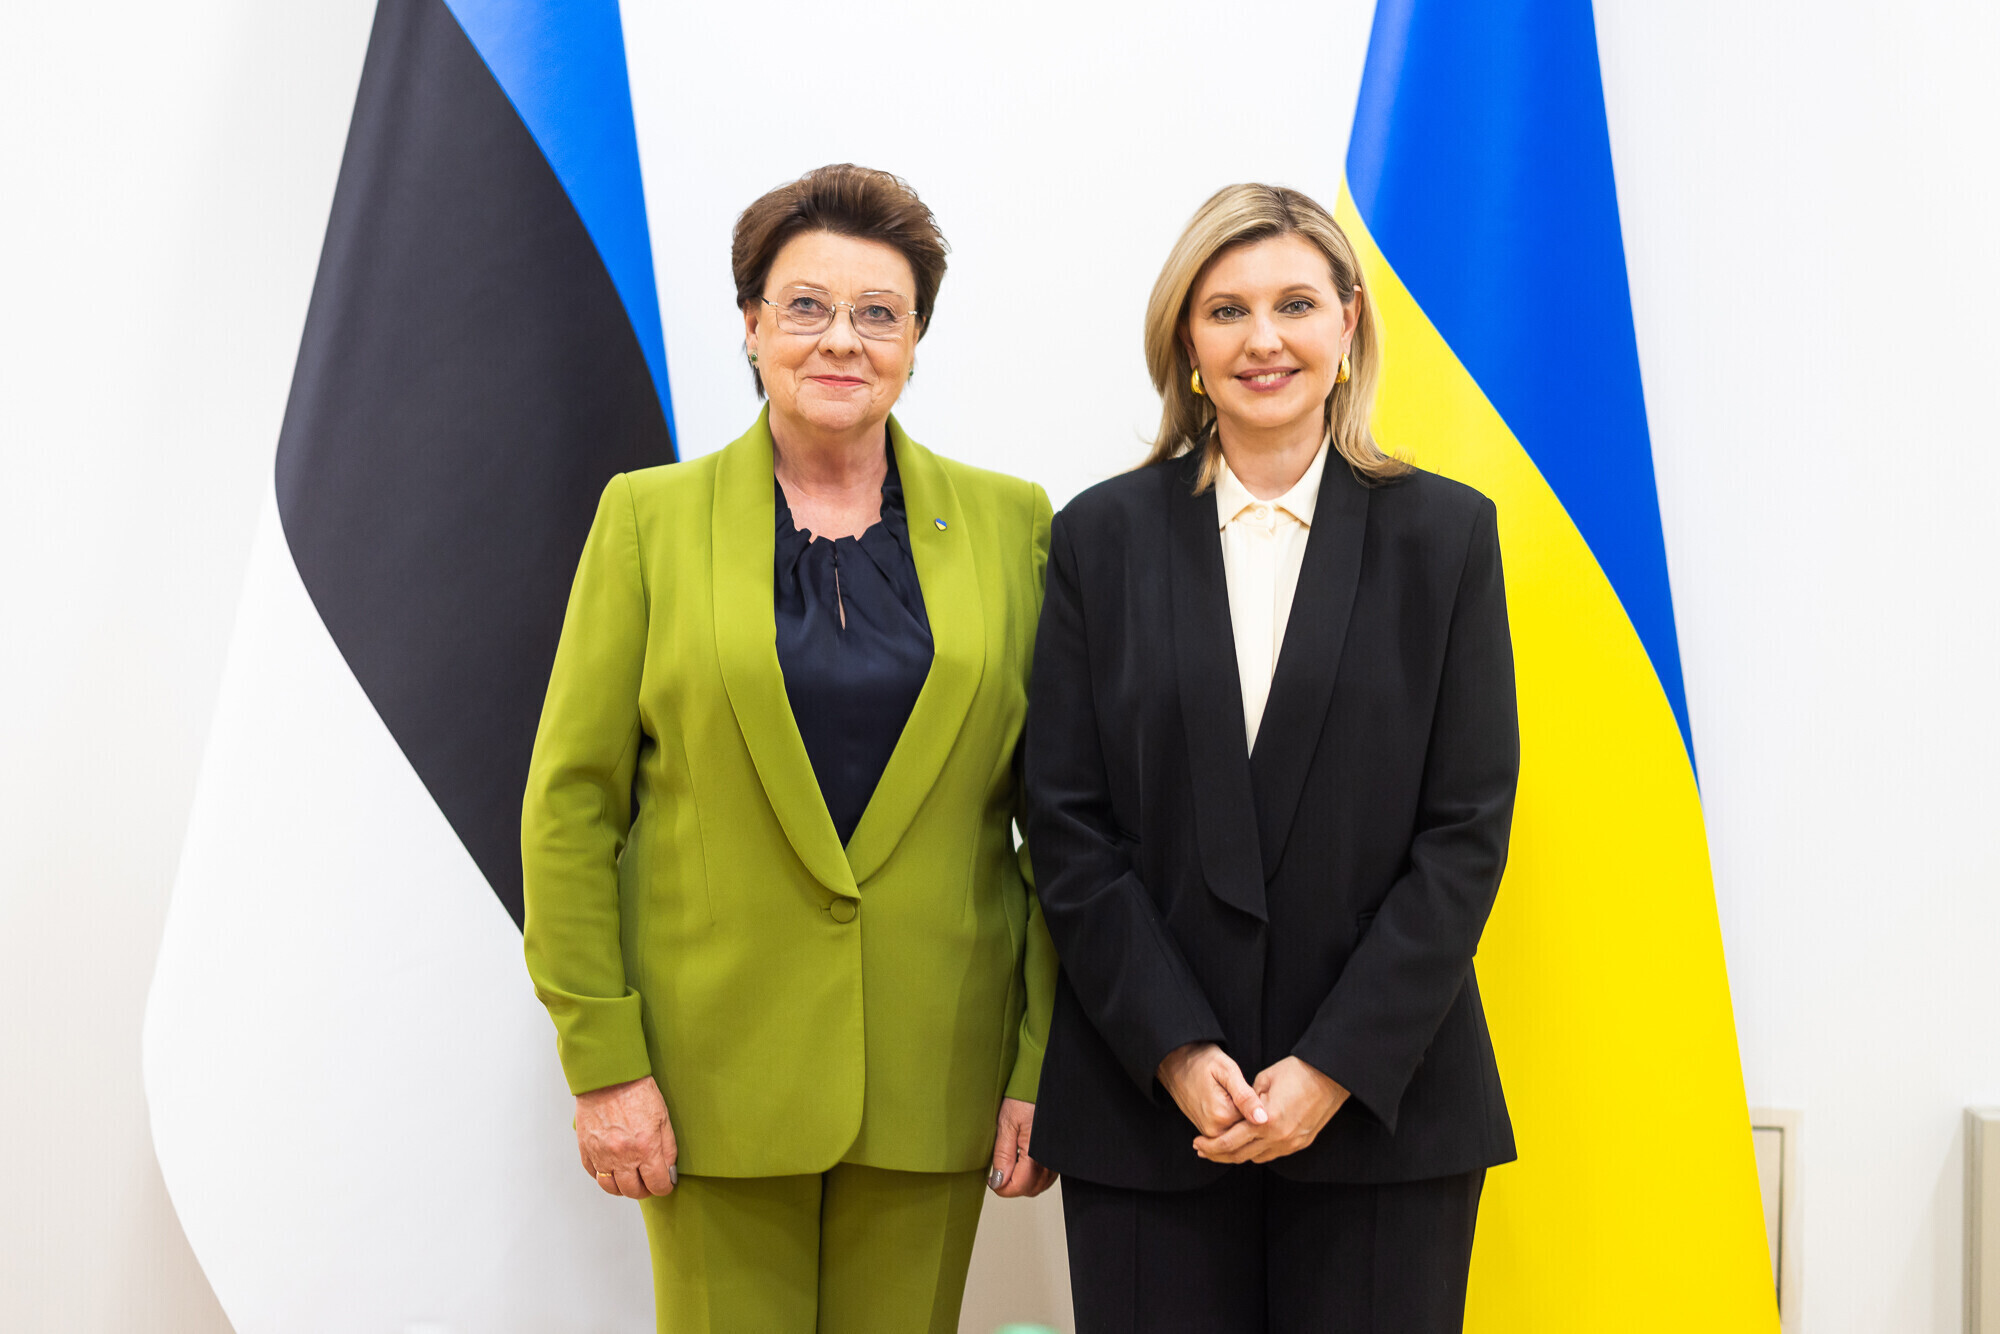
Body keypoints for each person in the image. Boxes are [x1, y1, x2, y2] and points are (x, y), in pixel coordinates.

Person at [522, 163, 1056, 1334]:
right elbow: (569, 808)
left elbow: (1063, 822)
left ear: (915, 340)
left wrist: (1036, 1060)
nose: (841, 339)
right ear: (751, 324)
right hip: (706, 1078)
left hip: (935, 1070)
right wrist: (603, 1059)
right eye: (805, 305)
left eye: (879, 312)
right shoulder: (646, 520)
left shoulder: (1013, 523)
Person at [1023, 182, 1520, 1333]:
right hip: (1148, 1112)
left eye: (1293, 303)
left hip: (1383, 1114)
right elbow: (1064, 820)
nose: (1262, 338)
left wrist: (1330, 1065)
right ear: (1184, 342)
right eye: (1225, 309)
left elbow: (1463, 832)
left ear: (1347, 322)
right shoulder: (1098, 535)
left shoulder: (1445, 535)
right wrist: (1173, 1046)